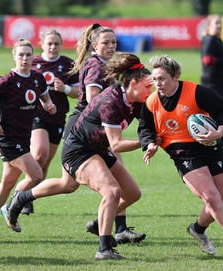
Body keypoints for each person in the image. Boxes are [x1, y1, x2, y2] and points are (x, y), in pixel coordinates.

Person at [5, 53, 153, 260]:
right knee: (111, 191)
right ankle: (104, 249)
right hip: (78, 150)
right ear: (134, 84)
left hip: (96, 148)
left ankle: (22, 198)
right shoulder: (112, 101)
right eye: (148, 86)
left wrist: (156, 136)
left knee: (131, 193)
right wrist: (145, 143)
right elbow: (117, 144)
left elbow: (148, 125)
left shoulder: (136, 100)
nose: (151, 90)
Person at [138, 55, 223, 261]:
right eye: (155, 79)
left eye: (163, 79)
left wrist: (218, 133)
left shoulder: (197, 92)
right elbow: (145, 128)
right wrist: (149, 143)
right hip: (182, 153)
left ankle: (197, 229)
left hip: (209, 146)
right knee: (211, 198)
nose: (158, 84)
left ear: (176, 76)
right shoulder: (151, 101)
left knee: (219, 201)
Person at [67, 23, 146, 244]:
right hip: (88, 129)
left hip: (102, 127)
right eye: (106, 43)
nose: (111, 46)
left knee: (120, 186)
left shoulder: (106, 64)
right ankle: (23, 198)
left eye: (114, 42)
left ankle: (113, 227)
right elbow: (94, 102)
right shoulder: (95, 66)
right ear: (94, 44)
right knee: (102, 186)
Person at [0, 38, 56, 238]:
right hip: (7, 139)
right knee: (36, 175)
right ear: (14, 56)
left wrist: (49, 105)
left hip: (23, 138)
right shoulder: (7, 80)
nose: (25, 58)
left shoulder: (37, 78)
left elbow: (45, 96)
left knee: (8, 182)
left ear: (33, 56)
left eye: (29, 54)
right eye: (21, 54)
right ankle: (11, 207)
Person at [19, 29, 80, 215]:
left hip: (58, 117)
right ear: (42, 44)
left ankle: (29, 198)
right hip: (36, 115)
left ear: (61, 45)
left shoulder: (68, 64)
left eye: (56, 43)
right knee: (39, 153)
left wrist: (66, 88)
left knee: (44, 164)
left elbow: (80, 92)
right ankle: (19, 196)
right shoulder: (34, 62)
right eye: (49, 43)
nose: (53, 47)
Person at [200, 15, 223, 151]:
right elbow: (208, 61)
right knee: (216, 112)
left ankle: (220, 143)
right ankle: (213, 142)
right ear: (209, 25)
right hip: (213, 83)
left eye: (220, 23)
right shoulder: (210, 40)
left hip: (222, 82)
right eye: (216, 23)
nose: (220, 25)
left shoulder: (217, 40)